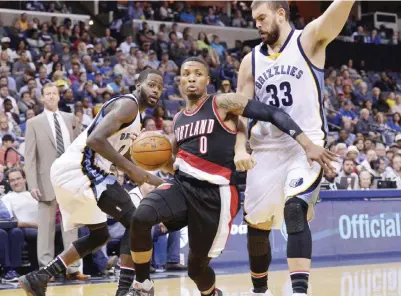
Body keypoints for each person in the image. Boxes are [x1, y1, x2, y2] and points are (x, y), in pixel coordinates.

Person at [124, 57, 335, 296]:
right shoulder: (178, 119)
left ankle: (212, 293)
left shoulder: (222, 103)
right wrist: (145, 156)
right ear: (179, 81)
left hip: (215, 195)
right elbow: (175, 165)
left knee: (196, 268)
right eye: (186, 74)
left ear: (207, 80)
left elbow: (271, 112)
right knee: (140, 217)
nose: (191, 78)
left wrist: (306, 143)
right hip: (182, 186)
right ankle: (143, 285)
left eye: (197, 73)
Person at [236, 1, 355, 295]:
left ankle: (299, 290)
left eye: (262, 18)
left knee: (294, 209)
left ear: (280, 14)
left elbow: (333, 16)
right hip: (264, 149)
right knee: (257, 224)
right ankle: (259, 290)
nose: (258, 25)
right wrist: (240, 148)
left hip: (305, 147)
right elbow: (239, 111)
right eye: (254, 20)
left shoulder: (308, 39)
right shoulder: (250, 61)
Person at [19, 69, 166, 296]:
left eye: (159, 87)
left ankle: (39, 277)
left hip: (77, 171)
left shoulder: (135, 120)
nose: (155, 90)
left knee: (100, 236)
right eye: (151, 84)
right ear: (138, 84)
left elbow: (123, 155)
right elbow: (95, 140)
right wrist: (133, 171)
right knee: (137, 221)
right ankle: (125, 290)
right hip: (80, 168)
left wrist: (154, 177)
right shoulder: (129, 105)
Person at [24, 83, 85, 281]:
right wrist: (32, 184)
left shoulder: (70, 119)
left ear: (59, 97)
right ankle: (47, 269)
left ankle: (73, 267)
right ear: (42, 98)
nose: (50, 97)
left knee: (71, 226)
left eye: (54, 94)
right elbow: (30, 157)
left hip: (69, 178)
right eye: (47, 94)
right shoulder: (33, 123)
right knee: (46, 228)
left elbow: (79, 149)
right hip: (45, 180)